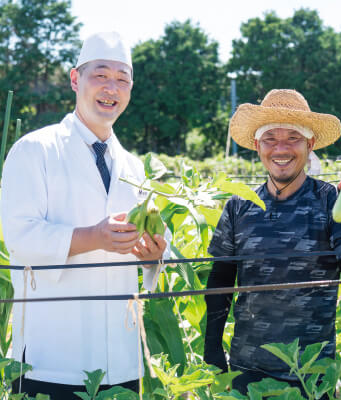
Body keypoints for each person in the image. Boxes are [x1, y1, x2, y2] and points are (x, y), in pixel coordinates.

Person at [1, 32, 170, 399]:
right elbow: (20, 237)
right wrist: (93, 236)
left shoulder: (134, 167)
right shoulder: (34, 150)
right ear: (75, 79)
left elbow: (157, 253)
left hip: (122, 360)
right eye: (101, 75)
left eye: (122, 79)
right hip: (52, 359)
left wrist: (155, 254)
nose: (112, 87)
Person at [204, 89, 341, 396]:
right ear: (257, 145)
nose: (280, 148)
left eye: (293, 138)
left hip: (312, 374)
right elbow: (220, 282)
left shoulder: (330, 201)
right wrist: (212, 348)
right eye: (270, 137)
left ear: (310, 145)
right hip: (248, 372)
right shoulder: (239, 206)